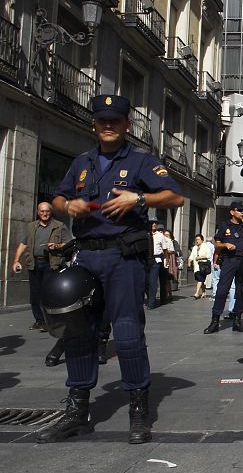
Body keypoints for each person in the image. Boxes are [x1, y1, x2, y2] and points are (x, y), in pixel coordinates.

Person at [37, 94, 183, 444]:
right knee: (77, 333)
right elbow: (58, 197)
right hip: (86, 256)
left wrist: (140, 199)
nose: (107, 125)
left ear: (126, 125)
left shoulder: (141, 160)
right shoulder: (82, 162)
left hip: (123, 259)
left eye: (114, 120)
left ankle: (138, 409)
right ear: (94, 123)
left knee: (129, 333)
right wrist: (67, 205)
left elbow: (175, 196)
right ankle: (77, 410)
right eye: (102, 120)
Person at [11, 202, 69, 331]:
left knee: (49, 294)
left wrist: (57, 246)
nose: (44, 213)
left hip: (51, 263)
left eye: (47, 211)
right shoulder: (31, 226)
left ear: (51, 212)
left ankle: (51, 322)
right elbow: (23, 244)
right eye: (42, 211)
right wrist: (16, 260)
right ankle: (39, 321)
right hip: (34, 263)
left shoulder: (60, 226)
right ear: (38, 212)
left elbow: (69, 243)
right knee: (35, 295)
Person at [203, 201, 243, 334]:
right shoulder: (224, 225)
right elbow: (217, 244)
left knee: (240, 292)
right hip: (229, 260)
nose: (242, 212)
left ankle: (237, 320)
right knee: (222, 290)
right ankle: (215, 321)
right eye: (239, 210)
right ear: (232, 212)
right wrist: (225, 245)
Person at [146, 220, 168, 309]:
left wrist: (166, 260)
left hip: (157, 259)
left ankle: (152, 303)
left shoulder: (160, 235)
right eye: (152, 223)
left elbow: (165, 249)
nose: (154, 224)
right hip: (146, 259)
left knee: (153, 281)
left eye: (155, 223)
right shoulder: (145, 234)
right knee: (145, 281)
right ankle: (150, 297)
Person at [187, 234, 212, 299]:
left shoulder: (205, 246)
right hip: (196, 266)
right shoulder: (195, 247)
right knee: (201, 280)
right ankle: (204, 292)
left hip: (203, 266)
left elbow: (209, 255)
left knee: (200, 279)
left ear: (202, 240)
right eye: (196, 240)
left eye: (198, 239)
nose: (197, 241)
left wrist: (200, 257)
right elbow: (192, 255)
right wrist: (189, 261)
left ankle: (197, 293)